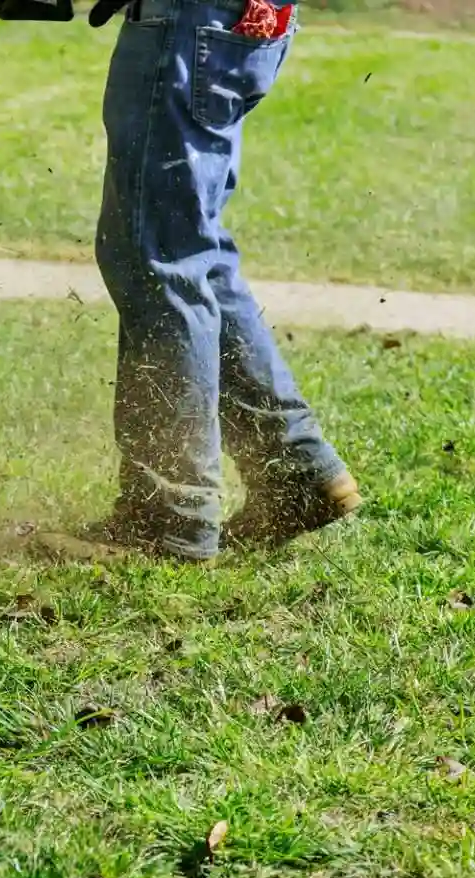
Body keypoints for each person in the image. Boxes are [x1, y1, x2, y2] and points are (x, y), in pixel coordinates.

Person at [85, 0, 360, 561]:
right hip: (231, 23)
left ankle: (166, 519)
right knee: (188, 250)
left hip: (191, 21)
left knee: (159, 260)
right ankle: (296, 471)